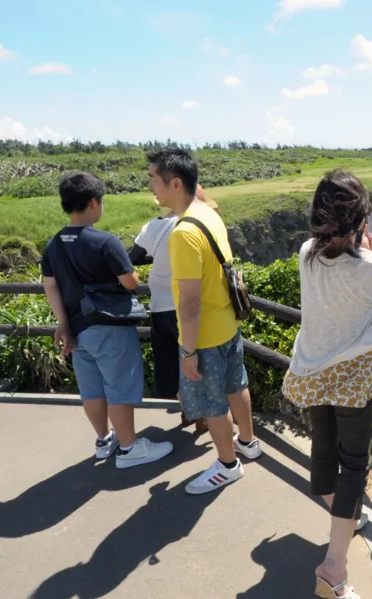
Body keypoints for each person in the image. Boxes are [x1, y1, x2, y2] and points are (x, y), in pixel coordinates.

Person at [281, 170, 372, 599]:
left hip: (313, 368)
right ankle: (333, 568)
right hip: (352, 375)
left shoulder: (305, 252)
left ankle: (342, 516)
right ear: (361, 219)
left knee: (325, 449)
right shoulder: (370, 267)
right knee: (354, 463)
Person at [147, 148, 262, 495]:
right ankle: (248, 442)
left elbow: (190, 302)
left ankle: (227, 465)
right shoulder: (207, 213)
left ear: (176, 182)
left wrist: (189, 351)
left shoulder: (182, 233)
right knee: (236, 384)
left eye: (154, 179)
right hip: (228, 322)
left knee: (214, 404)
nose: (151, 186)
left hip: (205, 336)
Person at [41, 171, 174, 468]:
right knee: (119, 385)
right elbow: (130, 282)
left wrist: (63, 323)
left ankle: (104, 440)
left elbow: (50, 285)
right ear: (92, 203)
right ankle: (129, 449)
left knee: (91, 388)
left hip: (77, 328)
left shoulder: (54, 244)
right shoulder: (104, 241)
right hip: (110, 325)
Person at [128, 184, 217, 433]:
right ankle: (202, 417)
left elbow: (130, 259)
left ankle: (188, 411)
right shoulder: (198, 224)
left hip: (159, 307)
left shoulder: (153, 226)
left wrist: (157, 257)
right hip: (186, 306)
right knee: (195, 362)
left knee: (170, 364)